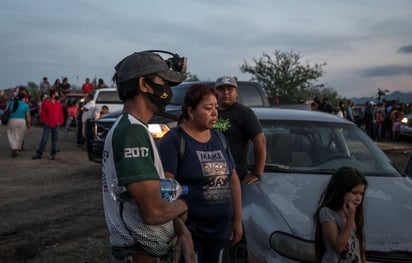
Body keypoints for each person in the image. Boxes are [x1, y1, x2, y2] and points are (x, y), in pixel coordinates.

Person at [102, 50, 194, 263]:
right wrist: (183, 205)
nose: (167, 90)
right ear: (144, 85)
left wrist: (181, 230)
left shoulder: (134, 128)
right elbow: (153, 212)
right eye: (163, 82)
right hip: (140, 256)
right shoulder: (132, 132)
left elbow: (154, 197)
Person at [157, 84, 243, 263]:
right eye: (207, 108)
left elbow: (233, 180)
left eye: (216, 108)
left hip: (220, 232)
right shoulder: (174, 139)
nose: (214, 113)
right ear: (191, 111)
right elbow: (165, 190)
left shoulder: (219, 138)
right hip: (190, 233)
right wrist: (177, 229)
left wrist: (237, 220)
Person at [213, 76, 266, 184]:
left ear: (236, 92)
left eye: (230, 89)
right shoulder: (211, 111)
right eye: (221, 89)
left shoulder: (244, 113)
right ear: (215, 92)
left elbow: (260, 141)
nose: (226, 92)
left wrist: (257, 173)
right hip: (210, 174)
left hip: (235, 177)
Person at [313, 167, 368, 263]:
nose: (359, 198)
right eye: (354, 193)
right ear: (340, 190)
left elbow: (358, 243)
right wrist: (350, 219)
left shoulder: (354, 211)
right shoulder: (327, 212)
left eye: (361, 193)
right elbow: (338, 247)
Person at [32, 90, 64, 160]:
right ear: (52, 95)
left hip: (56, 124)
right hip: (48, 125)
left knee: (54, 140)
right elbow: (43, 114)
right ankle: (39, 153)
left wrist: (61, 121)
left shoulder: (59, 104)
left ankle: (53, 154)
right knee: (44, 139)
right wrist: (45, 122)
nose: (57, 95)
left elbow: (61, 113)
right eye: (56, 94)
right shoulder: (45, 103)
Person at [6, 92, 31, 157]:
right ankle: (16, 149)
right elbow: (28, 116)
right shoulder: (25, 105)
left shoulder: (11, 103)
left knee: (11, 135)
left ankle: (14, 148)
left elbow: (6, 111)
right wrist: (29, 124)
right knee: (20, 136)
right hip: (21, 121)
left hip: (11, 121)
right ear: (23, 98)